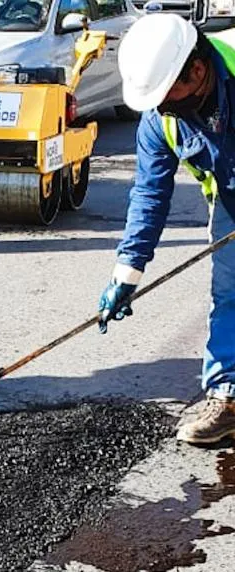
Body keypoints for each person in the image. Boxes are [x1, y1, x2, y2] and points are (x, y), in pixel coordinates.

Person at [100, 13, 235, 444]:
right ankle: (228, 395)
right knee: (230, 292)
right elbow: (149, 195)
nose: (161, 106)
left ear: (197, 71)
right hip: (230, 198)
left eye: (166, 94)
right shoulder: (162, 118)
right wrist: (127, 271)